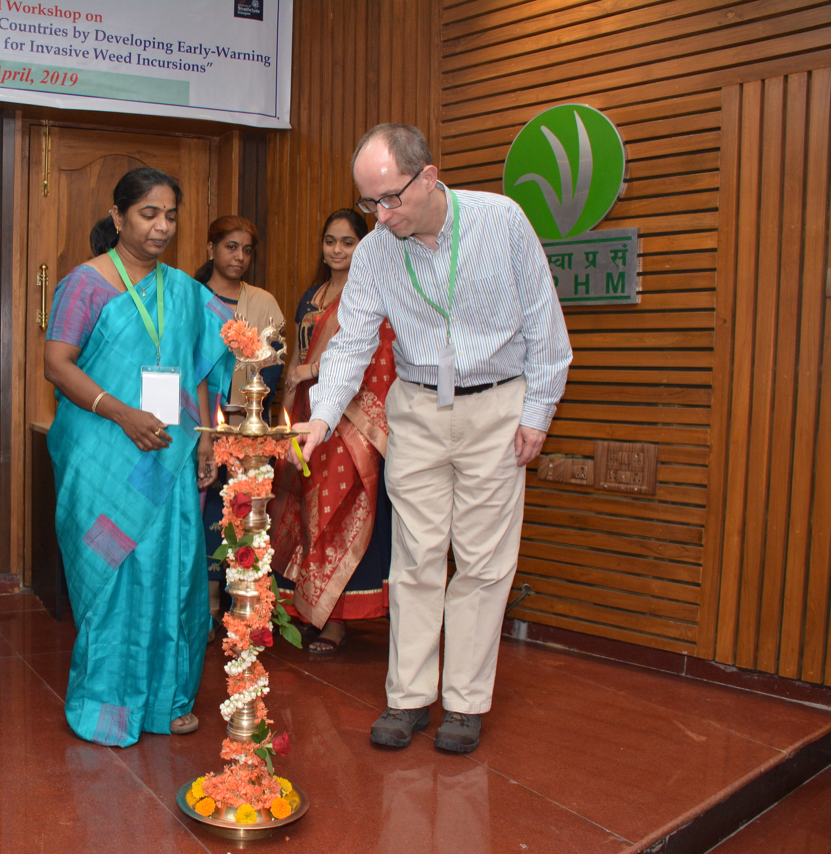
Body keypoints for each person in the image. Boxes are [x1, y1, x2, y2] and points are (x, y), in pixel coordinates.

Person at [293, 124, 572, 754]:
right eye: (370, 203)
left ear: (428, 176)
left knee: (481, 562)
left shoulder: (501, 222)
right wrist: (321, 415)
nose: (381, 216)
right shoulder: (374, 253)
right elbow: (352, 343)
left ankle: (467, 704)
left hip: (496, 405)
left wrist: (539, 412)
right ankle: (408, 698)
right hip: (415, 407)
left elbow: (544, 324)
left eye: (390, 199)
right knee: (415, 558)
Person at [43, 167, 235, 747]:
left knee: (175, 573)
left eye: (170, 216)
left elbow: (202, 365)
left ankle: (167, 700)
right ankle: (107, 703)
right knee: (115, 573)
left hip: (168, 459)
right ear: (119, 215)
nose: (161, 226)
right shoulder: (86, 283)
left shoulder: (185, 291)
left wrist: (206, 438)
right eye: (149, 214)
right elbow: (58, 363)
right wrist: (122, 413)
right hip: (104, 453)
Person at [271, 209, 395, 655]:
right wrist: (288, 399)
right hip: (309, 412)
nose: (337, 250)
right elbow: (295, 355)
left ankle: (338, 620)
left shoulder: (372, 293)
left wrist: (309, 370)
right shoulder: (314, 295)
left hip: (349, 418)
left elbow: (371, 353)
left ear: (364, 245)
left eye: (347, 241)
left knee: (337, 511)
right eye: (330, 241)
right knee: (305, 512)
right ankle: (308, 608)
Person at [192, 215, 282, 640]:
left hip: (248, 427)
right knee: (208, 512)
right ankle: (208, 606)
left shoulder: (262, 302)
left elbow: (276, 365)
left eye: (247, 250)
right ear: (211, 249)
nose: (239, 257)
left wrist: (251, 414)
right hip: (198, 425)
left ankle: (244, 604)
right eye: (230, 247)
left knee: (245, 513)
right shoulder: (189, 297)